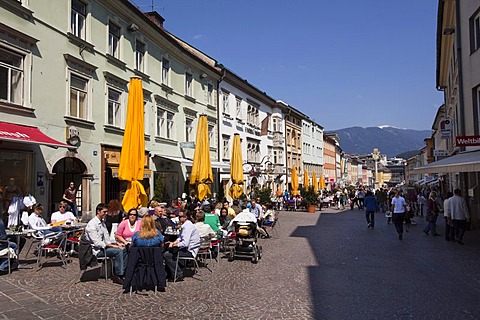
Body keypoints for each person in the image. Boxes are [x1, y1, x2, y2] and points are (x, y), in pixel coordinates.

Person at [84, 203, 127, 285]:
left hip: (104, 248)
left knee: (124, 249)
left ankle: (122, 272)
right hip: (95, 251)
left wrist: (117, 244)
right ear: (98, 212)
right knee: (119, 251)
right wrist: (113, 246)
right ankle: (118, 275)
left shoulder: (102, 223)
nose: (106, 213)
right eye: (104, 212)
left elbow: (107, 239)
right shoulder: (92, 225)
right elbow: (97, 242)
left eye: (106, 212)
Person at [163, 211, 200, 281]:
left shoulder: (187, 227)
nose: (178, 218)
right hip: (186, 249)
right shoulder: (185, 225)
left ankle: (178, 274)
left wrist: (174, 245)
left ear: (185, 218)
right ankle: (170, 273)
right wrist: (173, 242)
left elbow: (185, 243)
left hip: (190, 251)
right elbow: (180, 238)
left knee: (167, 255)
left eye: (180, 217)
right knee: (168, 250)